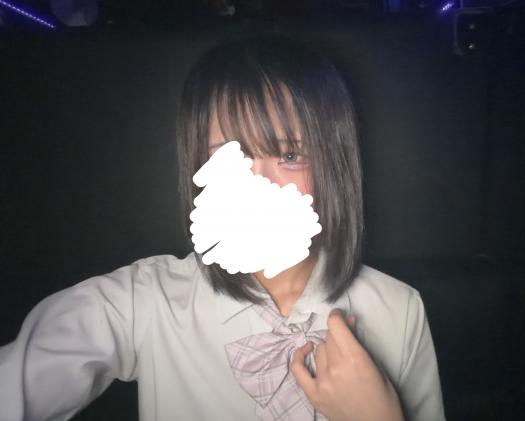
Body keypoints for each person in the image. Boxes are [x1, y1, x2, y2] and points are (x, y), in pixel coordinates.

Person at [0, 34, 445, 421]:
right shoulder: (144, 301)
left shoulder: (399, 310)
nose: (257, 185)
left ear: (334, 164)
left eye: (289, 156)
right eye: (229, 157)